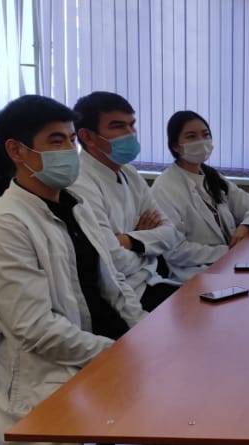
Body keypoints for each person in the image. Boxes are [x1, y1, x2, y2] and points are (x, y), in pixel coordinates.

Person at [0, 95, 146, 445]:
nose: (68, 150)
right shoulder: (1, 226)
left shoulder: (76, 207)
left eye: (71, 139)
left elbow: (115, 284)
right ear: (16, 151)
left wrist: (147, 333)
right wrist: (117, 354)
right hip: (57, 375)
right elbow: (36, 329)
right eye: (55, 141)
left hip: (107, 354)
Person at [70, 91, 180, 311]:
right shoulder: (79, 182)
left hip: (152, 280)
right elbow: (111, 261)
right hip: (122, 297)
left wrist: (128, 240)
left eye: (132, 124)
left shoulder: (129, 172)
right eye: (118, 126)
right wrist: (147, 249)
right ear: (88, 136)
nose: (130, 133)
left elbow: (170, 234)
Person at [151, 111, 249, 282]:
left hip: (231, 262)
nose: (201, 141)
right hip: (196, 274)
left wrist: (246, 226)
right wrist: (227, 251)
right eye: (191, 136)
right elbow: (175, 251)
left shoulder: (212, 176)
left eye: (205, 135)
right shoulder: (164, 188)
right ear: (176, 146)